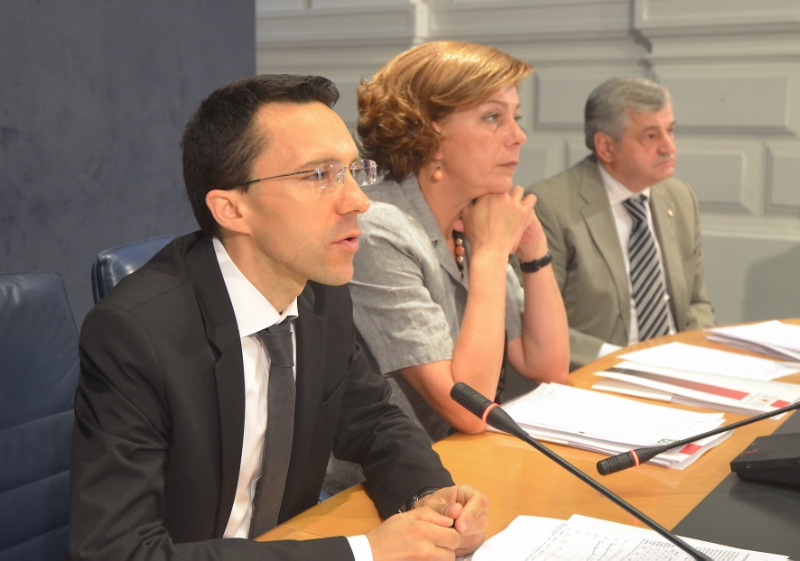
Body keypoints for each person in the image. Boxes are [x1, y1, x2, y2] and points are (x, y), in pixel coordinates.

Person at [69, 74, 490, 561]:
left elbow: (375, 421)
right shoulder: (134, 335)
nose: (359, 200)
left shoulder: (319, 291)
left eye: (354, 171)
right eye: (319, 175)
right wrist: (361, 553)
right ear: (231, 209)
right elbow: (116, 552)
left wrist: (429, 496)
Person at [350, 41, 570, 443]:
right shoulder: (378, 230)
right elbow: (469, 410)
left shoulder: (473, 217)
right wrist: (491, 255)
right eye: (493, 117)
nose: (519, 136)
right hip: (386, 476)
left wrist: (534, 251)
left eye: (516, 117)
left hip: (459, 461)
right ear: (430, 131)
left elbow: (548, 366)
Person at [527, 76, 715, 371]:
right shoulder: (551, 206)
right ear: (605, 147)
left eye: (670, 131)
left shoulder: (680, 198)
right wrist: (625, 361)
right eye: (650, 137)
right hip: (597, 373)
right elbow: (532, 321)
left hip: (679, 371)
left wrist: (695, 355)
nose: (668, 147)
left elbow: (696, 302)